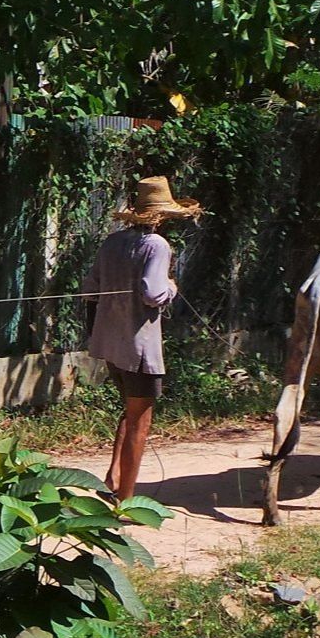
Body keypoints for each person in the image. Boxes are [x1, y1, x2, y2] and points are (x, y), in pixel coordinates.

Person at [82, 176, 201, 502]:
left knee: (130, 411)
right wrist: (172, 288)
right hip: (139, 348)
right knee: (140, 422)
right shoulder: (157, 245)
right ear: (162, 216)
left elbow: (89, 287)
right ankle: (127, 501)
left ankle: (114, 478)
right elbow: (152, 293)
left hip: (110, 344)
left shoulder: (112, 242)